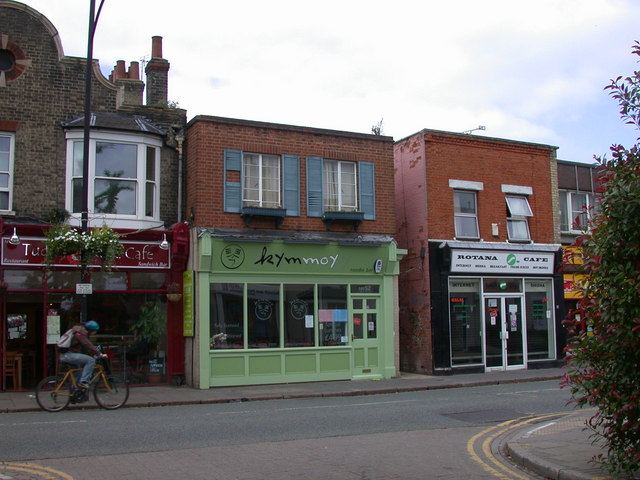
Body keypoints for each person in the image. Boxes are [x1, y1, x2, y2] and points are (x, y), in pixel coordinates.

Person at [58, 320, 106, 389]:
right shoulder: (80, 333)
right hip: (67, 355)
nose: (95, 333)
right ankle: (83, 382)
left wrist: (93, 352)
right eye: (95, 331)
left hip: (67, 355)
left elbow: (87, 347)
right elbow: (87, 344)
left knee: (78, 374)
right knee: (91, 360)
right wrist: (100, 353)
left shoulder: (80, 332)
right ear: (90, 330)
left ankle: (74, 395)